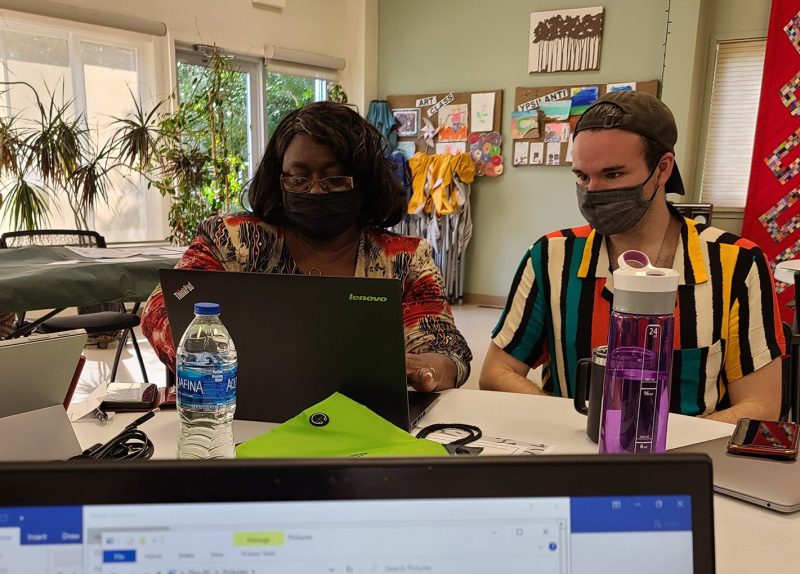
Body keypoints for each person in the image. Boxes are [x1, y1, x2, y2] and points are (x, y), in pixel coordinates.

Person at [480, 91, 784, 423]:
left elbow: (761, 406)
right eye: (582, 176)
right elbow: (497, 370)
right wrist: (574, 422)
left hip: (683, 465)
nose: (592, 191)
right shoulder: (550, 257)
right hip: (569, 461)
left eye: (613, 175)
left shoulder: (737, 264)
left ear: (663, 168)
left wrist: (658, 447)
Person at [142, 101, 472, 392]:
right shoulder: (233, 241)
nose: (314, 192)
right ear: (278, 180)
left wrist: (424, 369)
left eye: (334, 179)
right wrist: (234, 362)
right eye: (298, 179)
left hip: (360, 429)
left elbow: (445, 350)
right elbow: (161, 313)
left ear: (366, 183)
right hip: (241, 420)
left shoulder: (405, 259)